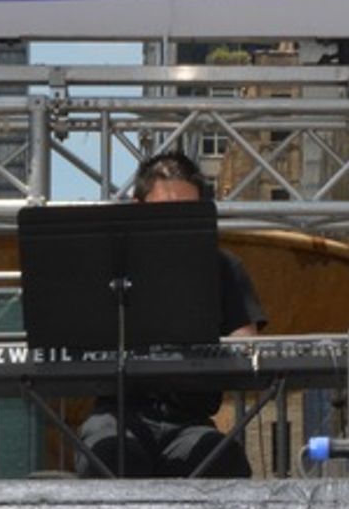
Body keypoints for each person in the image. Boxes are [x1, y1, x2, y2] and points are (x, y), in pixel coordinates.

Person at [76, 150, 267, 479]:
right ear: (138, 208)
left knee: (221, 459)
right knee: (111, 453)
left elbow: (247, 346)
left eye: (186, 211)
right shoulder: (109, 268)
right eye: (164, 209)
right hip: (117, 416)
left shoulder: (222, 266)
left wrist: (234, 348)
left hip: (190, 423)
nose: (175, 221)